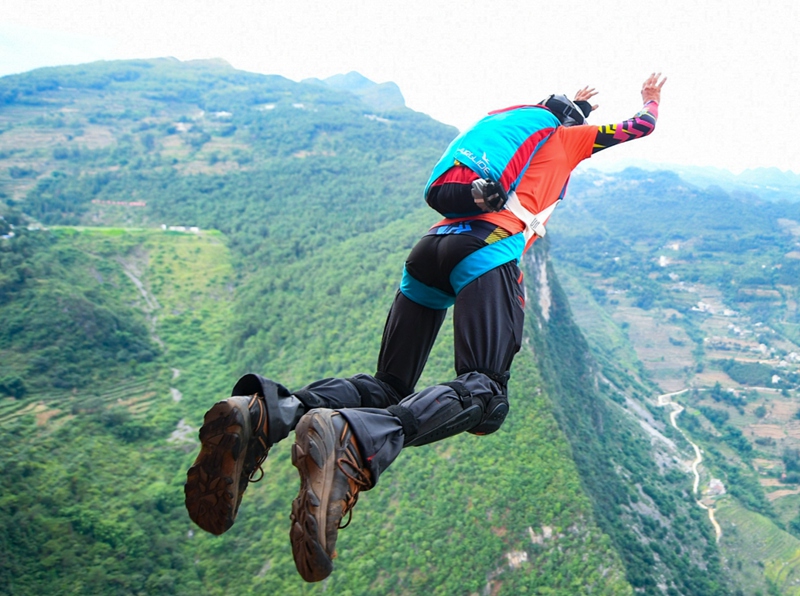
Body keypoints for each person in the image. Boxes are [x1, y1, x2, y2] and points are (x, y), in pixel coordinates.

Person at [184, 73, 667, 582]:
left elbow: (542, 127)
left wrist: (574, 105)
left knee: (387, 385)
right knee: (486, 392)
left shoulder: (507, 131)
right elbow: (639, 127)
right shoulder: (571, 140)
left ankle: (266, 413)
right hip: (486, 248)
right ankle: (355, 440)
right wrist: (651, 100)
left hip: (429, 250)